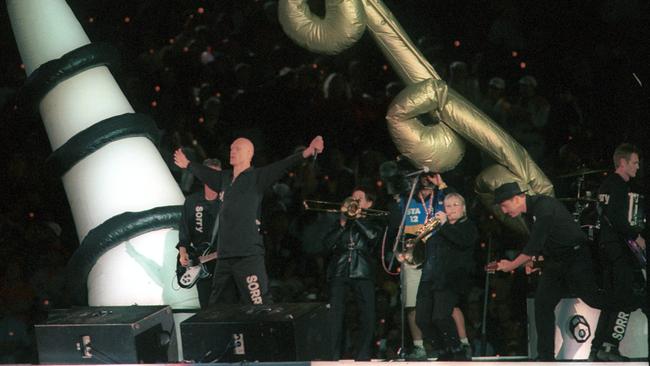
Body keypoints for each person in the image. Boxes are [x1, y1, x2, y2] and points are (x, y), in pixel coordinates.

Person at [174, 136, 324, 305]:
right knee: (216, 306)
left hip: (247, 255)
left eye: (237, 149)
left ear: (249, 153)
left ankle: (265, 330)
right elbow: (206, 173)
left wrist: (308, 152)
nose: (232, 151)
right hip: (224, 257)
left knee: (258, 302)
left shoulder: (257, 178)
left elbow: (283, 165)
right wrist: (187, 164)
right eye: (231, 148)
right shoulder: (224, 179)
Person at [494, 182, 604, 361]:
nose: (504, 211)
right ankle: (545, 357)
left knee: (593, 298)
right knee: (542, 304)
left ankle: (625, 309)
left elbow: (535, 244)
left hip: (575, 258)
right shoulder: (530, 214)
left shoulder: (543, 207)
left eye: (504, 205)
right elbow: (544, 244)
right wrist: (534, 261)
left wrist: (513, 264)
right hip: (556, 262)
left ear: (516, 199)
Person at [591, 143, 646, 361]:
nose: (638, 167)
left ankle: (597, 348)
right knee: (626, 298)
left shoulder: (605, 185)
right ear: (622, 163)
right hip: (618, 249)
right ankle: (610, 346)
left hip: (606, 247)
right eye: (634, 162)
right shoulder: (620, 186)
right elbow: (618, 219)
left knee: (611, 300)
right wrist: (636, 235)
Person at [323, 186, 384, 361]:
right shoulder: (340, 221)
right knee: (335, 314)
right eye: (353, 199)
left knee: (367, 314)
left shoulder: (374, 220)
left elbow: (373, 237)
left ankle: (364, 355)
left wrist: (357, 219)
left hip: (363, 270)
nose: (355, 202)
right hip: (340, 269)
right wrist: (342, 224)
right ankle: (333, 355)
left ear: (369, 203)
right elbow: (326, 245)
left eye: (359, 199)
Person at [415, 193, 477, 361]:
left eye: (456, 205)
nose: (451, 209)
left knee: (441, 317)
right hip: (430, 277)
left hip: (451, 278)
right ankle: (443, 351)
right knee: (421, 319)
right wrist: (423, 239)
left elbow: (462, 240)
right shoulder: (439, 229)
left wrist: (442, 226)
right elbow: (426, 253)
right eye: (448, 206)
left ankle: (457, 350)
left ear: (463, 208)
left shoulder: (468, 226)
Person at [176, 158, 222, 308]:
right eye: (210, 174)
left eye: (217, 175)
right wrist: (183, 253)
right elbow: (184, 232)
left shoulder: (228, 201)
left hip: (224, 264)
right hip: (201, 264)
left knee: (227, 306)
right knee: (206, 307)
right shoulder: (191, 201)